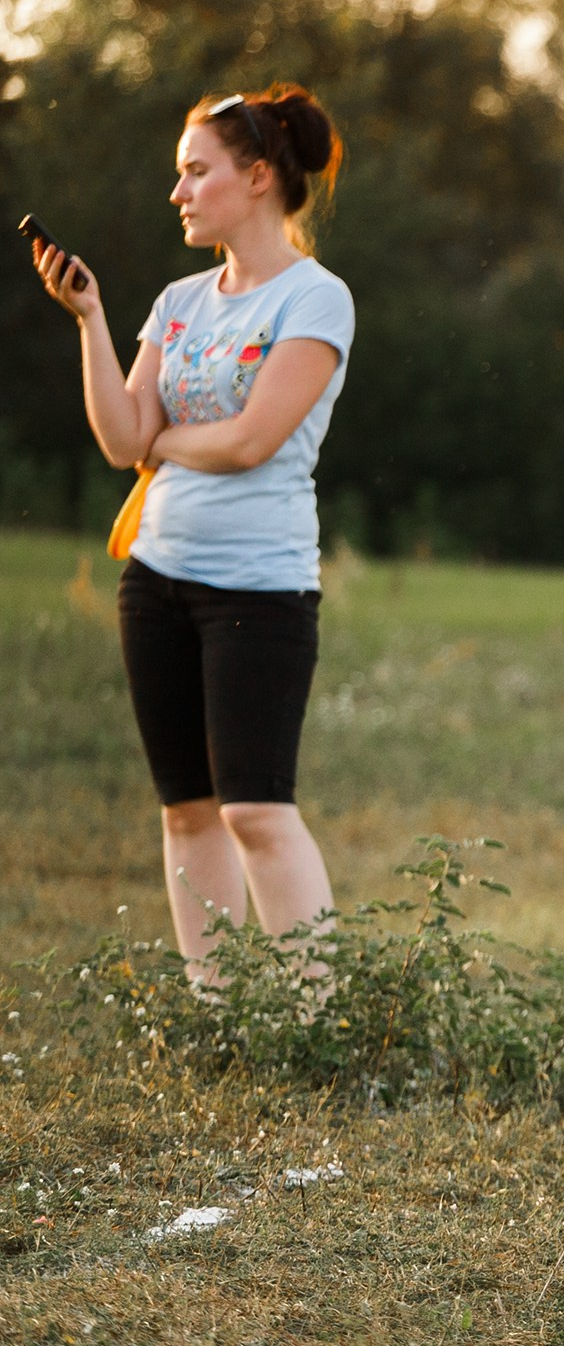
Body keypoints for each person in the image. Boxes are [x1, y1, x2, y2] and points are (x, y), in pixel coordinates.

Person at [28, 85, 353, 987]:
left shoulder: (317, 300)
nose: (178, 192)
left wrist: (164, 443)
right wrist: (91, 319)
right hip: (157, 578)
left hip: (259, 586)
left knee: (257, 810)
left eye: (195, 172)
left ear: (255, 179)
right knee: (187, 812)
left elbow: (253, 440)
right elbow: (122, 440)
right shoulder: (177, 303)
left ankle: (309, 1019)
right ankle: (220, 1010)